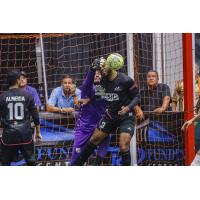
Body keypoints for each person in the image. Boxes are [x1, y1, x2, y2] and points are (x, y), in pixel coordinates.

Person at [74, 55, 140, 166]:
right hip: (110, 116)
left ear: (112, 66)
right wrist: (89, 99)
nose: (101, 70)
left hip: (126, 116)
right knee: (94, 140)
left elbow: (137, 96)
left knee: (123, 145)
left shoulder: (125, 80)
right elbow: (100, 93)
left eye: (104, 67)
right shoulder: (102, 81)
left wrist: (128, 107)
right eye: (100, 68)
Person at [70, 61, 110, 166]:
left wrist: (90, 99)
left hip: (101, 128)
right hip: (85, 128)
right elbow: (88, 86)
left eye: (99, 73)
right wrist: (92, 69)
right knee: (75, 159)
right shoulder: (86, 88)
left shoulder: (104, 89)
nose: (97, 74)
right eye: (95, 73)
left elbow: (101, 92)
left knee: (100, 159)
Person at [0, 69, 42, 166]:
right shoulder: (27, 95)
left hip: (8, 136)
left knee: (5, 163)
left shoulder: (2, 97)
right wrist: (38, 132)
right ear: (18, 80)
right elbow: (35, 116)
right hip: (25, 135)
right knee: (31, 162)